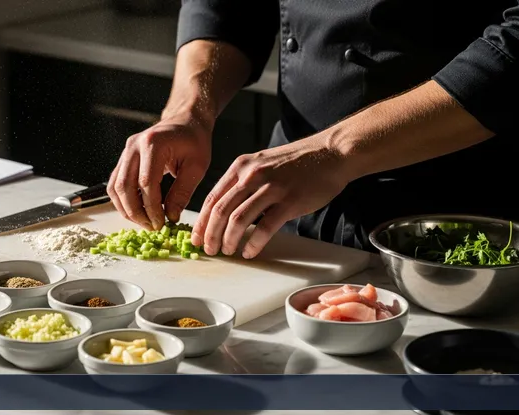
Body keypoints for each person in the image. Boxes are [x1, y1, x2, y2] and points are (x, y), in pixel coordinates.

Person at [106, 1, 519, 259]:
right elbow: (228, 10)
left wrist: (334, 152)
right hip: (289, 210)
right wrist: (188, 111)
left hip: (463, 222)